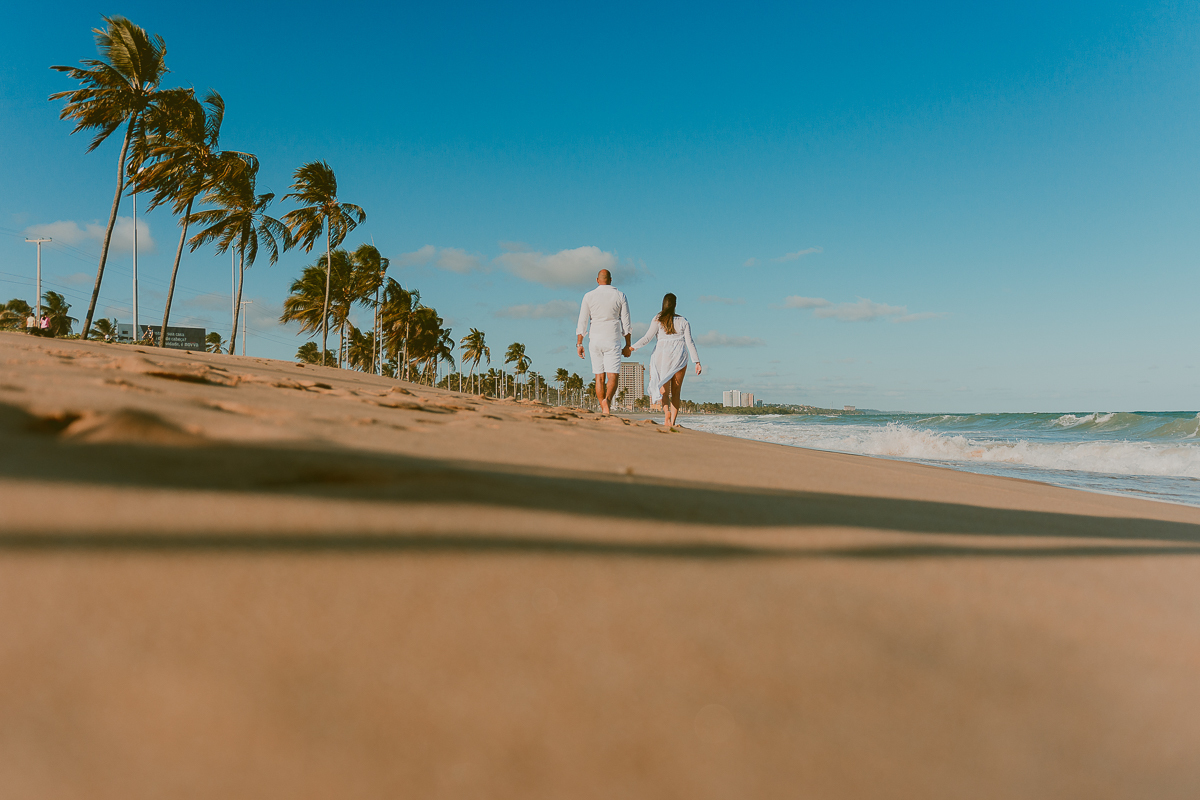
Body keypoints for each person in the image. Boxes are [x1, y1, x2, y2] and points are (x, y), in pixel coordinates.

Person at [627, 292, 701, 428]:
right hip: (679, 355)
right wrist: (696, 362)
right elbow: (690, 342)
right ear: (675, 305)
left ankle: (666, 414)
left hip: (662, 355)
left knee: (664, 391)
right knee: (676, 391)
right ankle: (672, 422)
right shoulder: (683, 321)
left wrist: (632, 348)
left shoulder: (657, 319)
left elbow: (647, 338)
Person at [576, 268, 631, 415]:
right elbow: (626, 323)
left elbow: (582, 321)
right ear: (611, 280)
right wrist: (628, 344)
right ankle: (607, 401)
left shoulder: (588, 296)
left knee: (599, 377)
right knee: (613, 375)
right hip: (612, 339)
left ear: (597, 280)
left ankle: (603, 408)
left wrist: (579, 343)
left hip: (595, 340)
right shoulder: (620, 295)